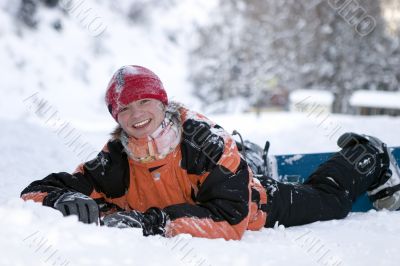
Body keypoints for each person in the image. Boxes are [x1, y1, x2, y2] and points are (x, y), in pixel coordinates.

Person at [20, 65, 400, 240]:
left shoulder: (204, 142)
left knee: (330, 202)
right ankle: (250, 157)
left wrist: (156, 223)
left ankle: (366, 155)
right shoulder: (114, 159)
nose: (136, 115)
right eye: (125, 109)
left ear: (162, 102)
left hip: (254, 205)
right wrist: (64, 198)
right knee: (232, 171)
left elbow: (229, 221)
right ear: (116, 116)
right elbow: (35, 193)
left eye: (145, 102)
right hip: (216, 185)